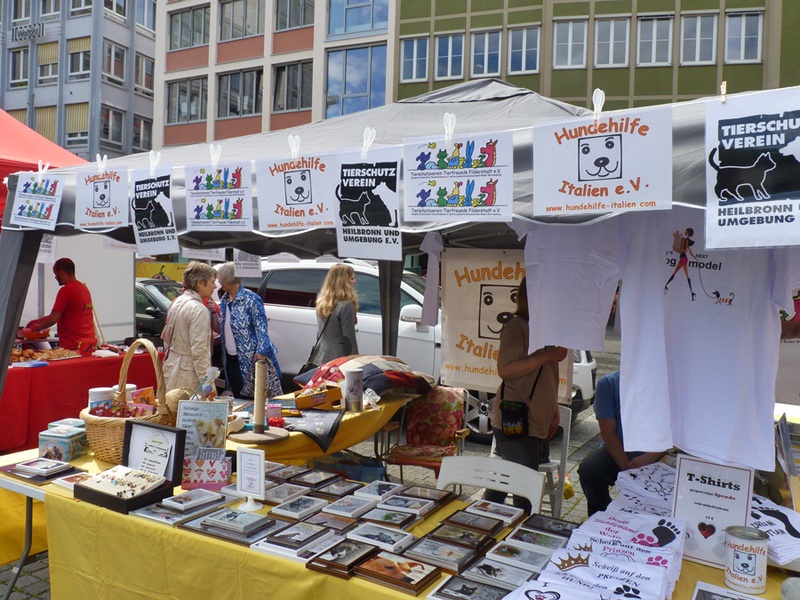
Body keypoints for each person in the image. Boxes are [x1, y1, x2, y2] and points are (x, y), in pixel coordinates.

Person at [485, 276, 568, 513]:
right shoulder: (516, 326)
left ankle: (484, 515)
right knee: (525, 483)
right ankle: (524, 527)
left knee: (509, 475)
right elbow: (506, 370)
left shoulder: (548, 330)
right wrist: (545, 356)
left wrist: (553, 408)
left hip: (536, 420)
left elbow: (549, 377)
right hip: (515, 416)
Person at [578, 370, 666, 516]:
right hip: (620, 447)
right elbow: (608, 432)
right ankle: (601, 516)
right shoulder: (608, 383)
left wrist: (650, 457)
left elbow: (676, 432)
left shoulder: (666, 384)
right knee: (589, 470)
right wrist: (626, 467)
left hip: (659, 450)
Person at [216, 262, 282, 399]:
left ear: (231, 279)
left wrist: (261, 351)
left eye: (222, 279)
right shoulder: (224, 301)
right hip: (230, 357)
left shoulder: (251, 299)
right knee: (237, 393)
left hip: (250, 358)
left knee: (255, 395)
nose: (220, 283)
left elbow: (261, 326)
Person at [162, 261, 217, 396]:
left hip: (172, 367)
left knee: (172, 407)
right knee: (188, 409)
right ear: (200, 283)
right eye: (212, 282)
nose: (215, 286)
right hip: (189, 376)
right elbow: (200, 352)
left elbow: (166, 340)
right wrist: (209, 386)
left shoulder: (177, 302)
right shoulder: (198, 310)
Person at [26, 258, 97, 352]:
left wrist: (37, 327)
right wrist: (38, 321)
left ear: (62, 273)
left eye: (55, 274)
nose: (55, 277)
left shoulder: (66, 290)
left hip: (73, 345)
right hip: (88, 344)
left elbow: (53, 318)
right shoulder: (84, 289)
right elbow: (63, 315)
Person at [309, 263, 359, 365]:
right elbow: (349, 338)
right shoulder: (346, 306)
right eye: (352, 278)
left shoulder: (322, 302)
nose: (355, 282)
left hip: (321, 355)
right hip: (338, 358)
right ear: (343, 281)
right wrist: (355, 359)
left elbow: (320, 333)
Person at [664, 228, 698, 300]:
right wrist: (675, 238)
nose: (685, 232)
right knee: (686, 276)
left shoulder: (686, 240)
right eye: (686, 231)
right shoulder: (684, 239)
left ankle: (666, 285)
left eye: (687, 232)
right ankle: (692, 293)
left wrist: (676, 247)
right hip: (683, 259)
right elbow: (689, 252)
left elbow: (685, 251)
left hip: (683, 259)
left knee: (675, 273)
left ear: (688, 234)